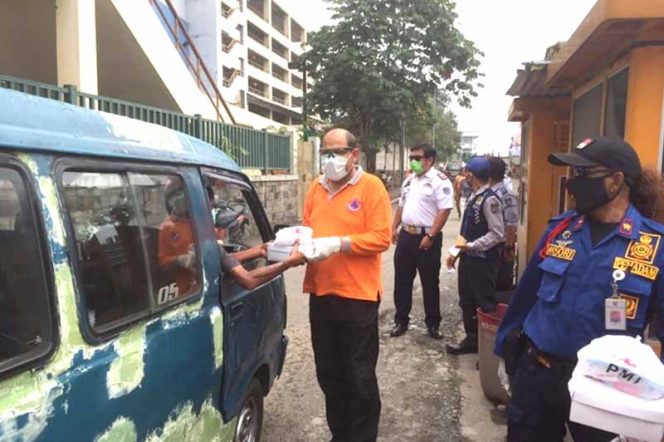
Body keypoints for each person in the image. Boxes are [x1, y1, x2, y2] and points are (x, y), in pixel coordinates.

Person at [494, 137, 664, 442]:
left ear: (615, 181)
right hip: (538, 376)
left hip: (609, 389)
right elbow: (525, 295)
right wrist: (505, 350)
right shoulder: (561, 229)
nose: (572, 184)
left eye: (583, 175)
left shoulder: (654, 245)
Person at [301, 128, 391, 442]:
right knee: (329, 372)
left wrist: (340, 244)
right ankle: (341, 435)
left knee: (359, 375)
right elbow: (307, 227)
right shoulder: (315, 187)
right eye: (325, 152)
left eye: (336, 152)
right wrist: (299, 241)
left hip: (358, 297)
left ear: (354, 154)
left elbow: (381, 238)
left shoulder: (371, 187)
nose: (330, 159)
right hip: (321, 293)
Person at [159, 180, 304, 294]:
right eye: (210, 208)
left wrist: (258, 250)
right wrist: (287, 263)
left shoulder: (166, 226)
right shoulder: (201, 235)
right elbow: (248, 280)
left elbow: (220, 259)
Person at [390, 144, 453, 339]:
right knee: (402, 280)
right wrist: (394, 227)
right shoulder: (409, 180)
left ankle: (433, 324)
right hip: (406, 236)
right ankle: (401, 320)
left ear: (429, 160)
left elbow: (444, 210)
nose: (413, 162)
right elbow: (401, 205)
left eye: (417, 158)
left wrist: (431, 236)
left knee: (429, 282)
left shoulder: (439, 181)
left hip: (427, 238)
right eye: (411, 158)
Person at [446, 156, 504, 355]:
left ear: (470, 174)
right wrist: (456, 252)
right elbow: (466, 231)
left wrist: (471, 246)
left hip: (484, 262)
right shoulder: (474, 197)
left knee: (484, 303)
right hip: (469, 259)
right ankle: (472, 341)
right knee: (467, 301)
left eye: (466, 172)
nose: (465, 176)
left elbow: (497, 234)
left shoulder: (490, 200)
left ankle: (488, 350)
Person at [488, 157, 519, 291]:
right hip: (490, 246)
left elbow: (512, 223)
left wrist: (508, 247)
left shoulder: (506, 194)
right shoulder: (488, 192)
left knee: (501, 286)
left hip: (501, 248)